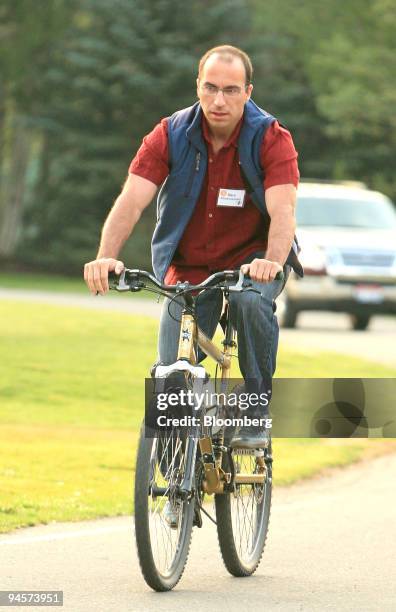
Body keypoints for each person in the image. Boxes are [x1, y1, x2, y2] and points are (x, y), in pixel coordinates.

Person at [84, 44, 303, 449]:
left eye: (232, 90)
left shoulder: (271, 138)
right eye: (211, 88)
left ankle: (255, 411)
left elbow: (283, 209)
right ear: (198, 87)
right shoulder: (169, 133)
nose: (219, 100)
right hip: (187, 268)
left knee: (250, 304)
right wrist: (106, 255)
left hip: (251, 265)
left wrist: (271, 262)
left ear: (248, 92)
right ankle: (171, 490)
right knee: (171, 378)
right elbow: (132, 200)